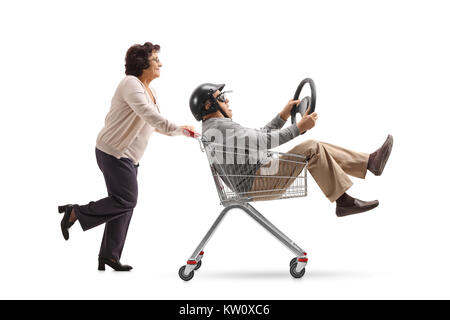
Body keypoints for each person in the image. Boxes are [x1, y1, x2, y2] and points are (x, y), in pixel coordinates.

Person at [58, 42, 194, 271]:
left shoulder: (149, 90)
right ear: (142, 63)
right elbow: (149, 115)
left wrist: (179, 131)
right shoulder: (131, 84)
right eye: (156, 59)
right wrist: (177, 129)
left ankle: (109, 256)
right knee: (127, 200)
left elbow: (152, 123)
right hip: (113, 153)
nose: (161, 63)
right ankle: (75, 212)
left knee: (123, 205)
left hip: (128, 158)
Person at [189, 83, 393, 217]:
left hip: (258, 175)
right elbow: (263, 141)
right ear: (209, 104)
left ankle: (365, 169)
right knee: (311, 147)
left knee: (315, 149)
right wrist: (298, 128)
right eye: (222, 97)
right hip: (257, 181)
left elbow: (258, 136)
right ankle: (351, 189)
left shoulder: (215, 127)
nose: (227, 101)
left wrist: (283, 116)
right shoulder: (221, 127)